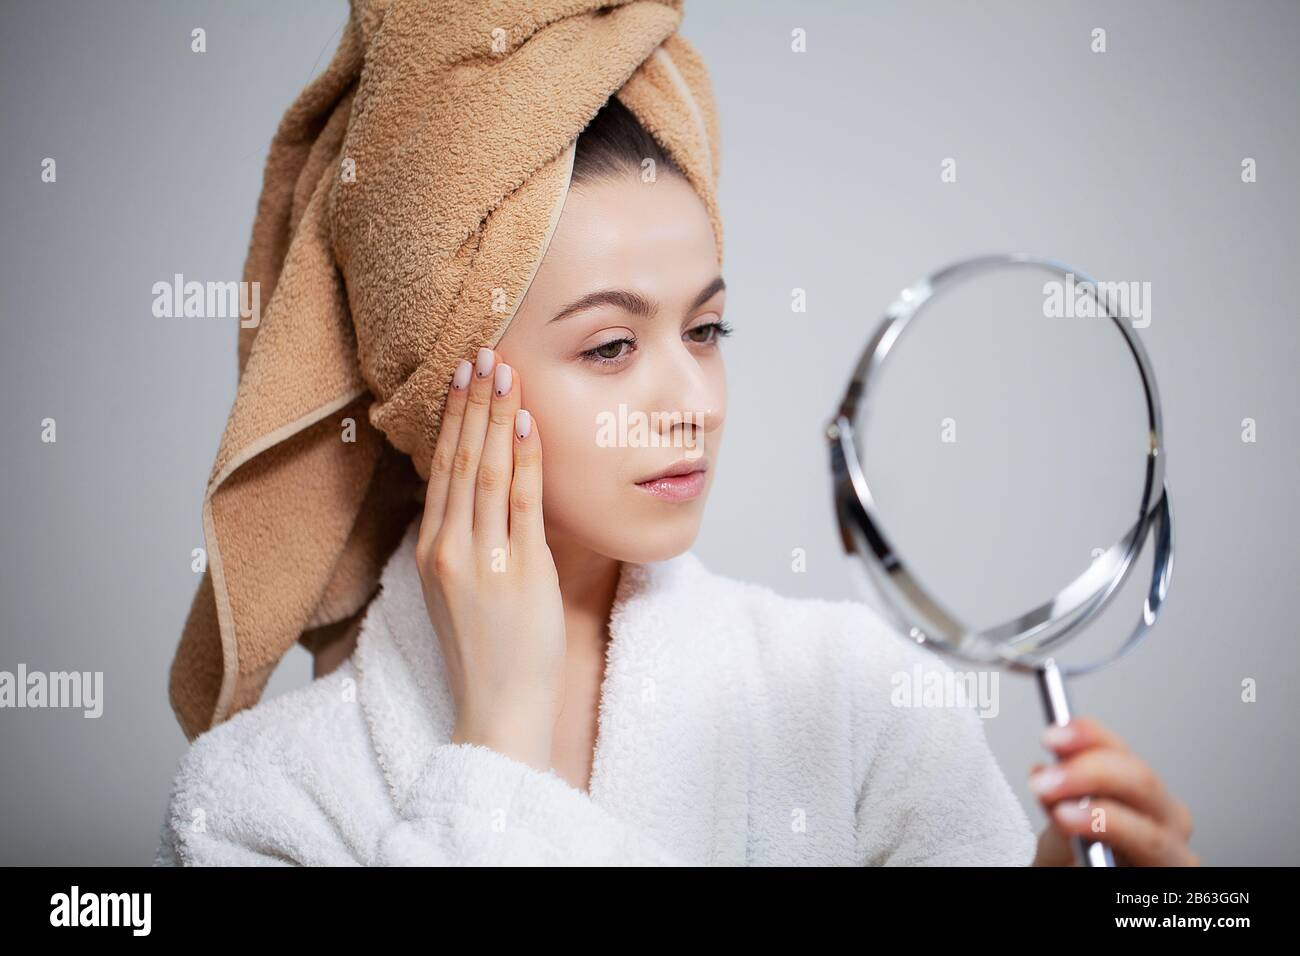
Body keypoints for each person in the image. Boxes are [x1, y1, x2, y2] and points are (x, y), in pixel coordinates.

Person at [155, 95, 1197, 866]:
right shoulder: (260, 801)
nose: (689, 398)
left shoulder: (852, 696)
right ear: (440, 395)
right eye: (610, 345)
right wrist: (499, 751)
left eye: (705, 329)